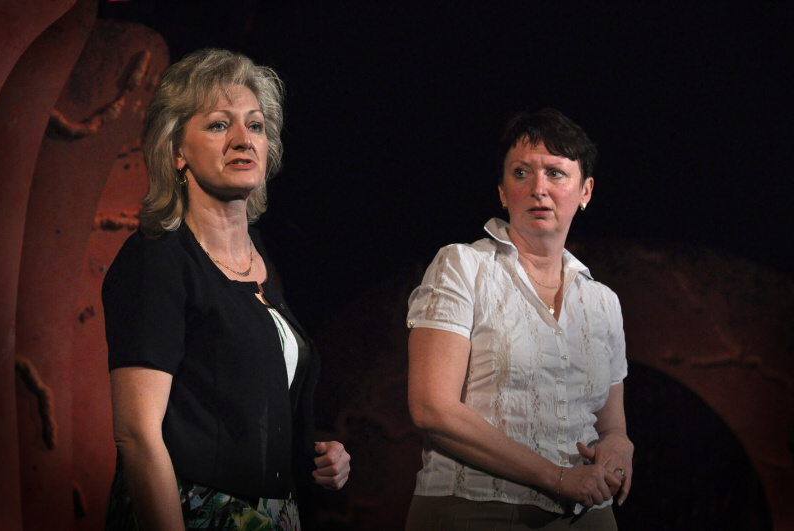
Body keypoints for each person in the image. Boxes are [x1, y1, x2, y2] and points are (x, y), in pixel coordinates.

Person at [102, 48, 350, 531]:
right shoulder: (157, 258)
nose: (243, 139)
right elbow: (137, 434)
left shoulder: (260, 260)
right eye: (219, 125)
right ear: (177, 151)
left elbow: (244, 411)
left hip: (275, 513)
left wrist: (317, 455)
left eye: (255, 125)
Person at [405, 108, 633, 529]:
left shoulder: (603, 301)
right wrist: (557, 478)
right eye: (522, 173)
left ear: (585, 191)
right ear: (502, 191)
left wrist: (619, 447)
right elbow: (431, 408)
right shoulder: (462, 266)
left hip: (586, 516)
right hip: (474, 508)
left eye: (555, 174)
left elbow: (611, 425)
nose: (538, 189)